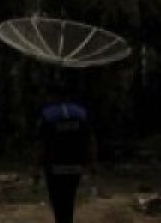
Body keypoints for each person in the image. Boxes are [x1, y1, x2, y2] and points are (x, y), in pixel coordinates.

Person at [35, 86, 97, 223]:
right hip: (75, 164)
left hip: (54, 165)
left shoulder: (48, 114)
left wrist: (37, 167)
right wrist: (92, 163)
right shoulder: (81, 113)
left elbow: (42, 144)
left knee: (57, 199)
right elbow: (90, 139)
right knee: (69, 197)